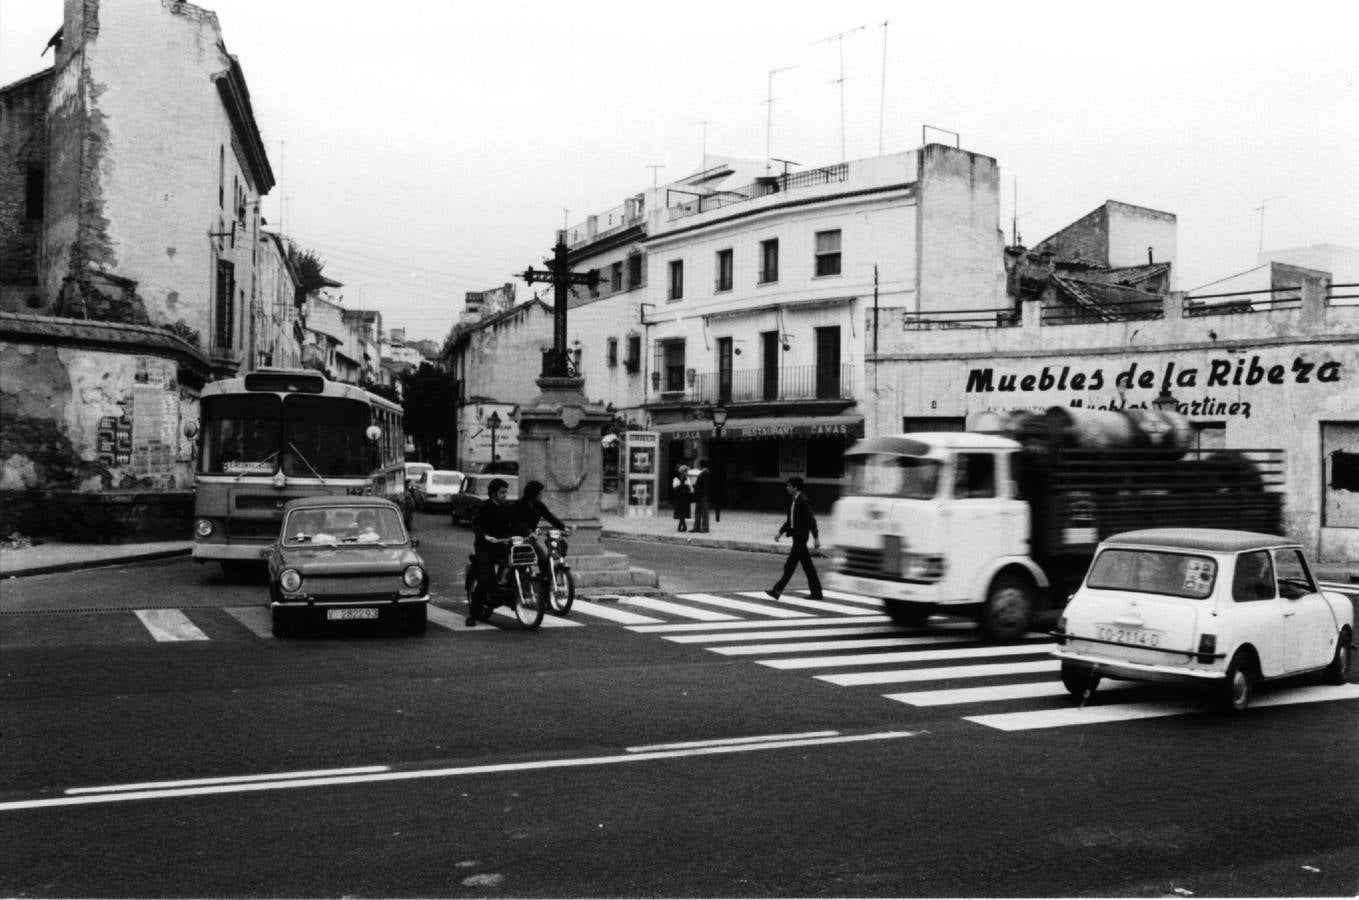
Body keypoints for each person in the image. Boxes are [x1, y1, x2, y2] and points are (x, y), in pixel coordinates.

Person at [468, 478, 518, 627]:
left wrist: (528, 532)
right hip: (485, 547)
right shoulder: (484, 507)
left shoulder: (508, 507)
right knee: (485, 580)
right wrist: (485, 535)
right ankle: (473, 615)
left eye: (506, 492)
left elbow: (517, 523)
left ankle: (508, 589)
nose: (505, 495)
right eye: (502, 492)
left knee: (517, 562)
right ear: (493, 493)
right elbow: (476, 525)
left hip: (502, 544)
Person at [766, 476, 824, 600]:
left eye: (789, 486)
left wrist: (816, 537)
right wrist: (780, 532)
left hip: (801, 539)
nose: (787, 488)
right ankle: (817, 592)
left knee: (790, 565)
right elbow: (790, 521)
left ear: (795, 487)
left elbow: (811, 520)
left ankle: (777, 590)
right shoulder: (795, 501)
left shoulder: (803, 501)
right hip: (797, 538)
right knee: (808, 566)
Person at [512, 479, 567, 592]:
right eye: (540, 493)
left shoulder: (539, 505)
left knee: (542, 559)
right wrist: (529, 532)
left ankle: (544, 588)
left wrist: (563, 528)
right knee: (520, 563)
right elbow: (519, 522)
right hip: (517, 539)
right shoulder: (518, 505)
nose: (542, 495)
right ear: (534, 493)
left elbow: (550, 517)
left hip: (530, 539)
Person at [690, 460, 710, 533]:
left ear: (701, 465)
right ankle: (697, 527)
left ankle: (703, 528)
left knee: (703, 512)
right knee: (698, 512)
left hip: (702, 495)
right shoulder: (706, 473)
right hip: (702, 495)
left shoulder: (704, 474)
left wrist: (695, 486)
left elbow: (702, 485)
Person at [672, 464, 692, 532]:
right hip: (679, 498)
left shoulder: (687, 479)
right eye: (686, 472)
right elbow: (675, 487)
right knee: (681, 512)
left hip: (685, 498)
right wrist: (683, 487)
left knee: (683, 513)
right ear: (683, 472)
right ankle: (682, 525)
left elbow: (690, 488)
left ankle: (681, 525)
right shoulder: (676, 479)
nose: (687, 473)